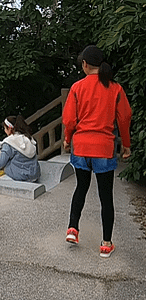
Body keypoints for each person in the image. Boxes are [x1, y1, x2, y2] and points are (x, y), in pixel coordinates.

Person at [62, 45, 132, 258]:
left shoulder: (77, 88)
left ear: (84, 64)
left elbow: (70, 120)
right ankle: (106, 244)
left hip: (82, 147)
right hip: (103, 148)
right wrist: (126, 145)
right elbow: (124, 118)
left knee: (81, 188)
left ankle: (73, 229)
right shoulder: (115, 88)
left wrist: (67, 140)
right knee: (105, 197)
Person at [0, 115, 41, 182]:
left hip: (23, 176)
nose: (5, 131)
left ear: (9, 128)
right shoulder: (28, 139)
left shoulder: (9, 142)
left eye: (5, 129)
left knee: (6, 164)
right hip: (35, 175)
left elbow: (1, 161)